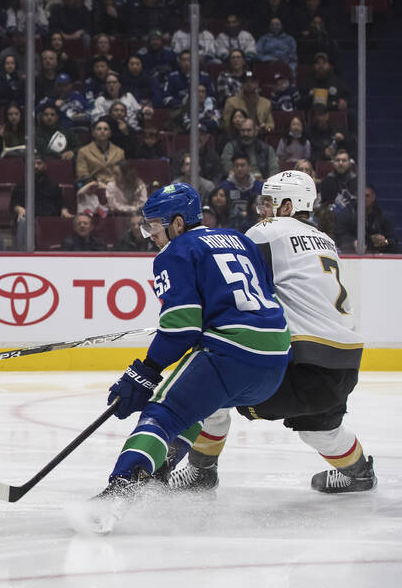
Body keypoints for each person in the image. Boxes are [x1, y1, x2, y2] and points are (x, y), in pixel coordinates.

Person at [71, 183, 290, 534]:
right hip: (276, 358)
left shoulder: (175, 252)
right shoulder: (241, 240)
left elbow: (181, 328)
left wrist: (145, 372)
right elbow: (264, 295)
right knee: (194, 407)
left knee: (163, 413)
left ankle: (120, 490)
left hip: (230, 353)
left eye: (154, 227)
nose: (151, 236)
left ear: (176, 223)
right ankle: (157, 472)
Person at [169, 171, 376, 495]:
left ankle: (201, 471)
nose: (262, 209)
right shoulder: (327, 240)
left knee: (213, 384)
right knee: (320, 429)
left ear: (288, 205)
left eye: (268, 202)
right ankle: (360, 472)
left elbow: (239, 283)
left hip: (303, 366)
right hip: (344, 367)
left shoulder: (268, 231)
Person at [12, 155, 73, 243]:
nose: (36, 166)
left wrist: (63, 210)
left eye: (39, 163)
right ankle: (24, 254)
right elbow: (13, 203)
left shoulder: (53, 184)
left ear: (45, 166)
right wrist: (18, 208)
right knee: (22, 221)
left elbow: (61, 203)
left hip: (49, 218)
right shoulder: (22, 184)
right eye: (33, 164)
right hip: (30, 217)